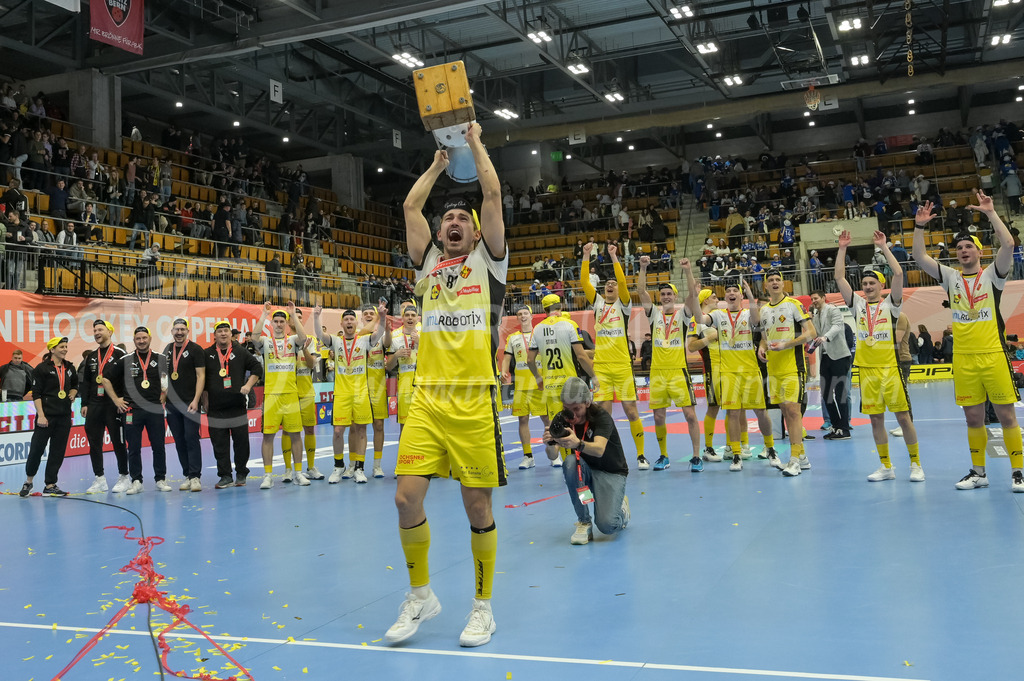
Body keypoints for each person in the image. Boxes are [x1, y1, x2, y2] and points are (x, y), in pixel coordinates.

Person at [385, 123, 505, 648]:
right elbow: (411, 209)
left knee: (477, 509)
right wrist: (436, 165)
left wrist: (474, 142)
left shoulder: (489, 262)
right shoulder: (429, 262)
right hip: (428, 401)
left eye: (463, 218)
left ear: (477, 233)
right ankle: (421, 596)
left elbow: (493, 191)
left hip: (475, 401)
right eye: (448, 218)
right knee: (405, 501)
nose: (453, 221)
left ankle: (483, 608)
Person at [912, 190, 1024, 492]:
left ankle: (1018, 472)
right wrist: (920, 226)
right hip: (963, 359)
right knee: (973, 417)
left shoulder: (993, 275)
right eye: (959, 247)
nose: (963, 251)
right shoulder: (950, 277)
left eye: (968, 247)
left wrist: (990, 213)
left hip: (993, 355)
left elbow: (1010, 243)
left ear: (979, 251)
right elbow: (919, 257)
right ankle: (978, 472)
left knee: (1006, 415)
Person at [836, 230, 923, 482]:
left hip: (891, 369)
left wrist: (884, 247)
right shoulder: (857, 305)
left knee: (903, 418)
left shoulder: (892, 305)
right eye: (864, 284)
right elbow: (840, 277)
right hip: (867, 370)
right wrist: (842, 248)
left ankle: (916, 464)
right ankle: (886, 466)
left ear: (881, 285)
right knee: (876, 420)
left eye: (872, 283)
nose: (867, 287)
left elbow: (898, 273)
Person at [692, 278, 778, 471]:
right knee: (732, 413)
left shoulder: (749, 313)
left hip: (749, 370)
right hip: (728, 372)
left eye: (735, 291)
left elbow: (757, 322)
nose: (731, 293)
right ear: (725, 296)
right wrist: (695, 297)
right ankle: (737, 454)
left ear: (740, 295)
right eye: (728, 291)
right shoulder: (718, 315)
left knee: (761, 412)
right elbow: (699, 319)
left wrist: (749, 295)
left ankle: (771, 448)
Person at [580, 242, 647, 468]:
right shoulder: (598, 303)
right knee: (602, 414)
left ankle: (640, 455)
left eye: (613, 284)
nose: (610, 285)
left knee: (631, 411)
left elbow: (620, 280)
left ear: (618, 288)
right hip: (601, 367)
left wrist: (614, 256)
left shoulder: (624, 305)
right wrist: (586, 255)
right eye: (607, 283)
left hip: (622, 366)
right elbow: (583, 282)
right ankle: (606, 453)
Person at [546, 377, 630, 545]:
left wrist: (577, 443)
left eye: (577, 408)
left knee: (608, 526)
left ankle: (622, 509)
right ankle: (584, 522)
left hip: (611, 472)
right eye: (567, 410)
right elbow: (552, 455)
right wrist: (549, 442)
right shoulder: (563, 419)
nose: (572, 415)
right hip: (584, 474)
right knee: (570, 463)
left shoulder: (601, 417)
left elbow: (599, 449)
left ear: (588, 403)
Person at [312, 303, 388, 484]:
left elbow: (380, 333)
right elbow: (319, 334)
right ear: (342, 324)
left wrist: (382, 317)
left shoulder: (365, 340)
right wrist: (316, 317)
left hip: (361, 393)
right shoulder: (336, 341)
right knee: (338, 431)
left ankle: (360, 468)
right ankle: (339, 466)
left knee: (362, 430)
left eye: (352, 319)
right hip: (342, 394)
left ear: (356, 323)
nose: (349, 322)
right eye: (346, 319)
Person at [640, 256, 702, 471]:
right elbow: (641, 292)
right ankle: (663, 455)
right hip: (657, 372)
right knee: (658, 416)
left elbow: (693, 295)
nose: (666, 296)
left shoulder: (683, 315)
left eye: (669, 294)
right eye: (663, 294)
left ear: (675, 296)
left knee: (690, 415)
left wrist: (687, 270)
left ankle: (696, 456)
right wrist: (642, 268)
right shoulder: (654, 314)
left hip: (678, 371)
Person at [758, 270, 816, 476]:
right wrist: (762, 347)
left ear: (784, 284)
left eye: (777, 280)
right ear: (766, 286)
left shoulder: (794, 305)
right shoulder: (763, 310)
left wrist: (787, 344)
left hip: (794, 366)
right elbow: (765, 337)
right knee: (785, 412)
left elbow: (811, 333)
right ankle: (802, 457)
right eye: (770, 280)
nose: (774, 282)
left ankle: (794, 460)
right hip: (773, 369)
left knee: (793, 412)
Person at [527, 294, 596, 467]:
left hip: (551, 387)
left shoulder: (537, 329)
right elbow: (581, 355)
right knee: (580, 426)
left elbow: (529, 360)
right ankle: (586, 465)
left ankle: (570, 468)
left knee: (560, 430)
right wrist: (594, 376)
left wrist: (538, 377)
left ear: (544, 310)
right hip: (570, 386)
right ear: (561, 307)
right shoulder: (570, 325)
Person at [103, 326, 170, 495]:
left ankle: (160, 479)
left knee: (159, 446)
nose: (141, 341)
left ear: (149, 338)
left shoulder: (160, 358)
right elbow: (105, 379)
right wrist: (116, 400)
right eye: (138, 338)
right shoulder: (125, 360)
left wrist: (164, 392)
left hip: (154, 409)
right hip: (132, 410)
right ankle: (136, 481)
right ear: (134, 341)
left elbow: (165, 379)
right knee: (133, 447)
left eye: (144, 338)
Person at [251, 302, 308, 489]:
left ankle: (298, 472)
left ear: (286, 323)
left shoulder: (292, 341)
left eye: (282, 321)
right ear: (271, 323)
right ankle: (268, 475)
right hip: (272, 395)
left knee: (295, 436)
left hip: (291, 394)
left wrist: (293, 315)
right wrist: (263, 314)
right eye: (275, 321)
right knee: (268, 436)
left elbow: (303, 337)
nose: (278, 324)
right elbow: (254, 336)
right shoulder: (266, 342)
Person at [203, 320, 262, 488]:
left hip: (237, 406)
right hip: (215, 407)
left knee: (241, 442)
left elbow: (257, 368)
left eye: (226, 331)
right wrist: (204, 400)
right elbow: (202, 379)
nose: (223, 333)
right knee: (219, 444)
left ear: (231, 334)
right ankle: (225, 476)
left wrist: (248, 385)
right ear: (214, 335)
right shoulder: (207, 354)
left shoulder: (241, 352)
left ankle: (241, 472)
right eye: (219, 331)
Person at [18, 337, 78, 497]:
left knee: (57, 451)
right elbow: (36, 393)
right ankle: (28, 481)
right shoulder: (41, 369)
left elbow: (75, 385)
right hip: (46, 418)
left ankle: (50, 484)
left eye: (66, 346)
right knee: (36, 449)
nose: (65, 349)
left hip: (64, 418)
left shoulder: (70, 368)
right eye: (61, 347)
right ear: (52, 350)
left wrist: (72, 393)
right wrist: (41, 416)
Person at [79, 320, 131, 493]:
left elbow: (128, 379)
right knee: (94, 443)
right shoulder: (92, 356)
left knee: (118, 441)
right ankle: (99, 479)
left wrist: (122, 399)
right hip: (94, 405)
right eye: (94, 330)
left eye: (100, 329)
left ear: (110, 332)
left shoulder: (120, 353)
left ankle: (124, 476)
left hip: (113, 405)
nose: (96, 332)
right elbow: (86, 382)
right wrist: (84, 403)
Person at [278, 308, 323, 483]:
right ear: (288, 321)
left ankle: (311, 467)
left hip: (306, 392)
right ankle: (288, 470)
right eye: (293, 317)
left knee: (309, 429)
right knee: (288, 431)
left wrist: (304, 350)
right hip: (288, 393)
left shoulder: (311, 340)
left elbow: (312, 365)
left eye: (300, 317)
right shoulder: (283, 341)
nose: (297, 319)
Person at [163, 318, 206, 492]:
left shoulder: (195, 349)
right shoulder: (167, 350)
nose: (179, 332)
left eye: (182, 329)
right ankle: (187, 475)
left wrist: (196, 400)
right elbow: (164, 376)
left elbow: (201, 376)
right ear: (172, 331)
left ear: (187, 331)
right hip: (172, 405)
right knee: (179, 440)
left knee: (191, 438)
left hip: (190, 403)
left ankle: (196, 477)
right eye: (176, 329)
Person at [500, 305, 545, 470]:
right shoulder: (513, 337)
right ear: (517, 318)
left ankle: (554, 451)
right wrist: (504, 372)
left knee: (547, 419)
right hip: (521, 386)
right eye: (519, 314)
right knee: (523, 419)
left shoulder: (540, 334)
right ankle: (528, 456)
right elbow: (506, 358)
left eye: (525, 313)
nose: (523, 316)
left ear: (531, 316)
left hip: (540, 384)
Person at [687, 288, 728, 462]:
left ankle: (733, 447)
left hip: (729, 367)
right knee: (714, 407)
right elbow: (692, 346)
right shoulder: (696, 321)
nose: (717, 299)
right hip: (712, 370)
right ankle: (708, 448)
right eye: (714, 297)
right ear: (705, 300)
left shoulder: (720, 317)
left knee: (733, 408)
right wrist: (710, 338)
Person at [809, 290, 852, 440]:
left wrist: (825, 337)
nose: (814, 301)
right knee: (826, 394)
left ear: (823, 298)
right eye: (812, 299)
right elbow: (814, 333)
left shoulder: (832, 309)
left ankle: (845, 429)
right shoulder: (816, 314)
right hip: (825, 357)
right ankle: (836, 426)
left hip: (839, 356)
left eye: (816, 298)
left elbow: (837, 326)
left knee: (841, 394)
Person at [355, 304, 391, 480]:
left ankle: (377, 465)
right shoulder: (356, 335)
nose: (369, 315)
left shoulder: (382, 335)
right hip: (359, 388)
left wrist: (385, 324)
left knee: (378, 425)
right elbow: (363, 333)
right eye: (366, 314)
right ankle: (355, 466)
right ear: (361, 318)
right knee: (357, 427)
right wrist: (378, 316)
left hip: (378, 388)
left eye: (372, 313)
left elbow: (388, 344)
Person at [386, 304, 420, 433]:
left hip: (423, 387)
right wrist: (396, 355)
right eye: (407, 315)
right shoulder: (395, 337)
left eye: (413, 315)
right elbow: (389, 366)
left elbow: (436, 356)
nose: (410, 318)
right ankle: (404, 454)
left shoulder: (425, 334)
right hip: (405, 388)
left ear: (417, 318)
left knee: (425, 428)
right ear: (402, 318)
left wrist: (420, 342)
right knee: (405, 428)